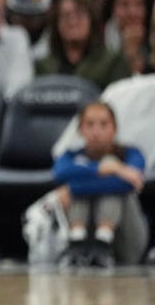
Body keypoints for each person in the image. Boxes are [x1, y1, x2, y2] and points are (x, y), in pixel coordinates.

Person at [53, 101, 145, 268]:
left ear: (114, 129)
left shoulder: (132, 153)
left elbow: (129, 184)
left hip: (126, 242)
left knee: (106, 176)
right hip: (87, 241)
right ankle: (77, 243)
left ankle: (104, 243)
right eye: (89, 124)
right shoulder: (71, 156)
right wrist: (104, 169)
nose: (96, 131)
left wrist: (73, 188)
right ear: (80, 129)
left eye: (103, 124)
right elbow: (59, 173)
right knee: (92, 174)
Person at [36, 0, 132, 89]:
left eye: (79, 15)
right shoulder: (43, 66)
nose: (72, 22)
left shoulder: (113, 62)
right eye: (65, 16)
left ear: (92, 21)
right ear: (57, 24)